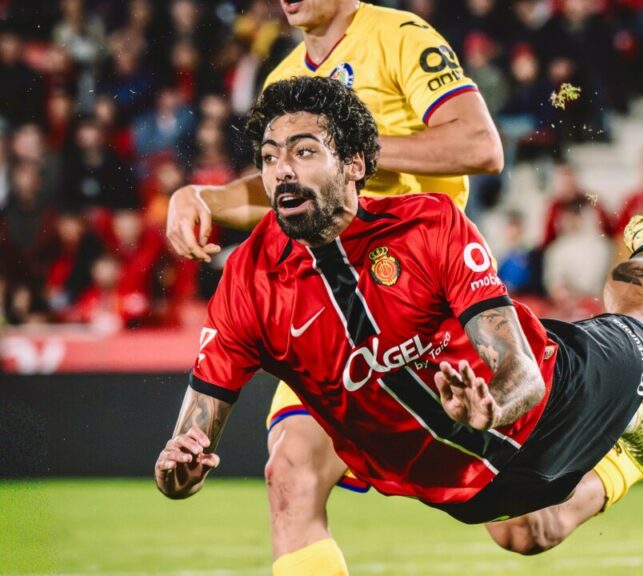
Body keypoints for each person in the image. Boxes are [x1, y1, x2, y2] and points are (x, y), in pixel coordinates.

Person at [155, 76, 643, 566]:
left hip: (562, 399)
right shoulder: (249, 283)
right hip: (471, 487)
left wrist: (492, 406)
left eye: (304, 152)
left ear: (356, 164)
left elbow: (520, 372)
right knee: (528, 535)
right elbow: (192, 440)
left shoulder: (427, 226)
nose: (281, 171)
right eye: (269, 158)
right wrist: (178, 470)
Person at [163, 2, 502, 574]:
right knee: (290, 472)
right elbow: (283, 187)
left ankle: (636, 452)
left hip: (421, 298)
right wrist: (202, 198)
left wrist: (346, 146)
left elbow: (480, 146)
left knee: (523, 526)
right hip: (330, 297)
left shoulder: (399, 36)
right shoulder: (285, 77)